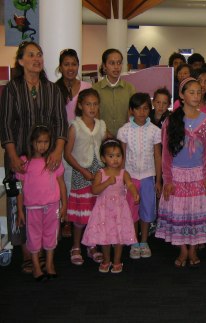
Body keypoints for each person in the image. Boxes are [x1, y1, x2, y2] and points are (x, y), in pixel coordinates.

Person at [0, 41, 68, 275]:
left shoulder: (52, 89)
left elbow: (61, 122)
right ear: (20, 61)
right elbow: (6, 125)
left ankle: (46, 251)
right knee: (19, 203)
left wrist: (58, 150)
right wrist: (11, 155)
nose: (37, 59)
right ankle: (28, 255)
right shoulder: (11, 89)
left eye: (39, 54)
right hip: (19, 158)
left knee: (47, 203)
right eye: (31, 55)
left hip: (47, 159)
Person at [155, 78, 206, 267]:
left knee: (195, 212)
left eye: (199, 92)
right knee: (180, 212)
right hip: (177, 174)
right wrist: (167, 179)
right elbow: (166, 154)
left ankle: (193, 249)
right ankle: (182, 249)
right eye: (192, 92)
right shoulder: (171, 120)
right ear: (182, 95)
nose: (196, 96)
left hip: (197, 174)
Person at [16, 125, 67, 281]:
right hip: (33, 207)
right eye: (39, 142)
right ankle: (36, 267)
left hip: (52, 206)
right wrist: (20, 210)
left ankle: (50, 265)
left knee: (51, 235)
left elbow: (61, 183)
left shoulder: (53, 160)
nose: (43, 145)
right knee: (34, 236)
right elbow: (20, 189)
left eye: (46, 142)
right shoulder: (25, 162)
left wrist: (64, 204)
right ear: (32, 142)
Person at [64, 88, 108, 266]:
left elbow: (107, 144)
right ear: (80, 106)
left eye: (95, 104)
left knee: (94, 214)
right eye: (88, 104)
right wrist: (82, 171)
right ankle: (75, 246)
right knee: (81, 216)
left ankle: (91, 245)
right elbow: (67, 154)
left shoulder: (101, 125)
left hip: (98, 174)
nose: (92, 107)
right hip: (82, 174)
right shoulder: (75, 126)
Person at [81, 139, 139, 274]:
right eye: (111, 156)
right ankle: (106, 260)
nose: (115, 159)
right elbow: (94, 190)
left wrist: (135, 193)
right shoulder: (100, 173)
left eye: (118, 156)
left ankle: (117, 260)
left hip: (119, 210)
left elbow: (130, 184)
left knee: (118, 237)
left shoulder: (123, 173)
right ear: (103, 158)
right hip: (104, 210)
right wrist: (106, 183)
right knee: (105, 236)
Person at [118, 93, 162, 259]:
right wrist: (122, 178)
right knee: (131, 210)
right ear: (131, 110)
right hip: (130, 178)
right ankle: (133, 240)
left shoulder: (155, 131)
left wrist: (158, 180)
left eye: (145, 108)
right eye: (138, 108)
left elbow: (158, 156)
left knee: (147, 210)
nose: (142, 112)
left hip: (148, 176)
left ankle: (144, 241)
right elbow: (121, 156)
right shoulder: (124, 130)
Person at [56, 48, 92, 238]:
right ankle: (67, 219)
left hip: (84, 142)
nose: (70, 68)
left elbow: (94, 114)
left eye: (74, 64)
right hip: (63, 142)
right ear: (60, 67)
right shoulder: (54, 89)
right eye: (66, 64)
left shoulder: (87, 87)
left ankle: (81, 218)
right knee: (65, 181)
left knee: (82, 182)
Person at [93, 48, 135, 137]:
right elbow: (94, 116)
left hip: (126, 138)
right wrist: (105, 134)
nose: (116, 67)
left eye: (119, 63)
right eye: (112, 63)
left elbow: (134, 114)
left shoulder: (130, 89)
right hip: (102, 139)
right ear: (104, 66)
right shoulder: (95, 89)